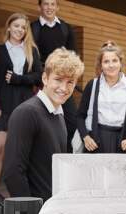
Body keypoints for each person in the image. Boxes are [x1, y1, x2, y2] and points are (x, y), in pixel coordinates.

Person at [2, 48, 84, 201]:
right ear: (45, 78)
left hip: (55, 208)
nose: (64, 88)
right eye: (58, 79)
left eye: (70, 82)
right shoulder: (26, 113)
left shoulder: (59, 114)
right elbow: (12, 172)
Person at [0, 13, 42, 189]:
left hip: (25, 104)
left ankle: (20, 193)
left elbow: (38, 77)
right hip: (4, 104)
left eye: (23, 27)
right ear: (9, 27)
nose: (20, 30)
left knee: (21, 151)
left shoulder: (31, 51)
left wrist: (18, 79)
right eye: (17, 26)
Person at [77, 41, 126, 153]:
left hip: (121, 141)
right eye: (106, 61)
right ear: (101, 65)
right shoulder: (93, 85)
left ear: (120, 62)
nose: (111, 65)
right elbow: (80, 116)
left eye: (115, 61)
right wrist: (85, 137)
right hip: (96, 141)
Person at [31, 0, 78, 153]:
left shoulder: (65, 28)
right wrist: (42, 76)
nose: (49, 7)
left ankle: (65, 155)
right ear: (40, 7)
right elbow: (31, 55)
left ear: (57, 7)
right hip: (43, 82)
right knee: (45, 122)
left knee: (71, 121)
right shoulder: (33, 28)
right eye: (46, 4)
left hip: (63, 81)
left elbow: (74, 54)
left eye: (53, 4)